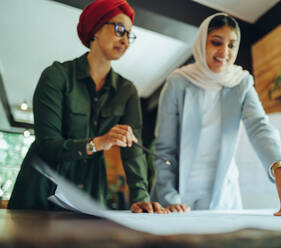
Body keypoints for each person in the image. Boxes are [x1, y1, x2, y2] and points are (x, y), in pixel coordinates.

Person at [8, 0, 168, 214]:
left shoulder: (127, 90)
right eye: (120, 30)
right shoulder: (56, 77)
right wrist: (99, 143)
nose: (125, 41)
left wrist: (141, 197)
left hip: (89, 194)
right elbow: (48, 145)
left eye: (130, 35)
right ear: (96, 29)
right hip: (41, 190)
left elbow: (134, 151)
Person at [153, 13, 281, 218]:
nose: (224, 52)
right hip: (177, 191)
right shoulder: (178, 82)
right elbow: (164, 149)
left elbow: (259, 126)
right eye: (216, 42)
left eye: (231, 45)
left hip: (223, 191)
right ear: (202, 42)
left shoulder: (241, 82)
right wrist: (169, 197)